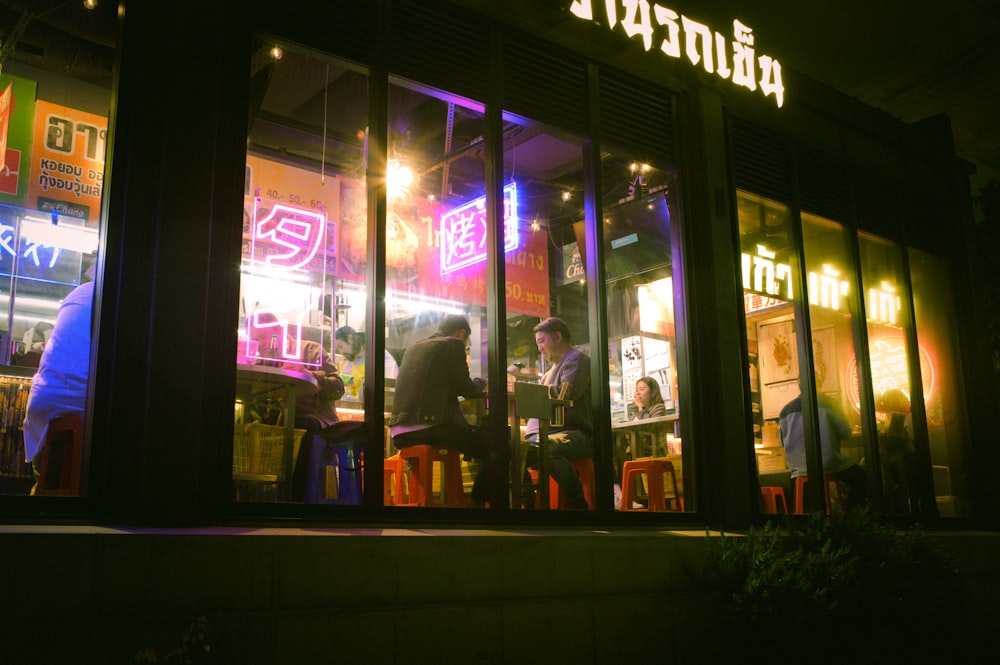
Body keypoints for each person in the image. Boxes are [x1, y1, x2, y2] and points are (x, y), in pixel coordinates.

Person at [389, 314, 505, 507]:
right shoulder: (453, 343)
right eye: (467, 342)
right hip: (432, 426)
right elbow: (466, 389)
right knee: (497, 444)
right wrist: (483, 383)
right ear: (461, 333)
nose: (466, 346)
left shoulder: (413, 347)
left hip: (400, 433)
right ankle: (477, 504)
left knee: (477, 439)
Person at [249, 313, 352, 501]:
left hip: (315, 420)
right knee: (248, 428)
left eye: (263, 337)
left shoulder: (310, 350)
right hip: (275, 422)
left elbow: (338, 388)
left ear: (280, 331)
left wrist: (312, 376)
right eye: (255, 340)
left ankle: (296, 501)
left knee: (299, 426)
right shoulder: (261, 362)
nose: (260, 344)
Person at [23, 278, 95, 493]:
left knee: (46, 473)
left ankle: (44, 497)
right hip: (84, 404)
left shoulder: (79, 293)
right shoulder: (120, 298)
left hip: (44, 400)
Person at [523, 317, 593, 510]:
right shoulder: (547, 374)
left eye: (541, 341)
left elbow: (568, 392)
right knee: (508, 451)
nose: (539, 348)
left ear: (557, 337)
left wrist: (528, 394)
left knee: (548, 447)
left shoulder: (577, 360)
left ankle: (579, 506)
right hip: (540, 435)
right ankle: (527, 504)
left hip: (573, 434)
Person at [779, 365, 867, 512]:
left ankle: (803, 522)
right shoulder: (831, 403)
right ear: (818, 383)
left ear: (799, 385)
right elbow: (846, 432)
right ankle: (853, 519)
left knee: (800, 484)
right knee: (861, 477)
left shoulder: (785, 410)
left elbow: (782, 441)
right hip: (827, 463)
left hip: (798, 469)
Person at [335, 325, 399, 400]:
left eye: (340, 346)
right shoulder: (347, 365)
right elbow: (347, 392)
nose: (341, 352)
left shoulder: (381, 357)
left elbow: (387, 392)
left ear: (350, 338)